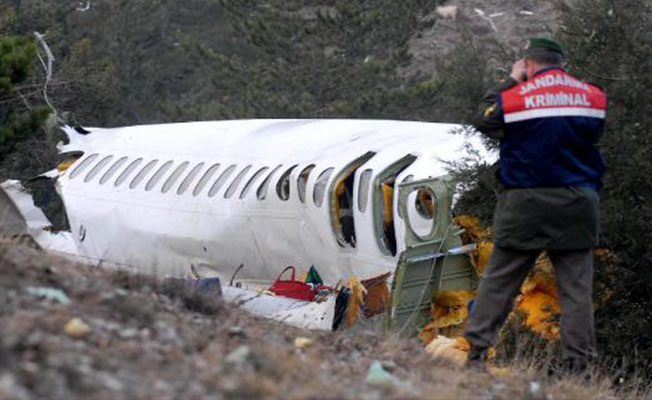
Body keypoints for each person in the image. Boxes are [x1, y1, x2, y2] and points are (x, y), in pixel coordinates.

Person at [463, 38, 608, 374]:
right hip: (577, 201)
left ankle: (476, 356)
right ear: (562, 63)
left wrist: (512, 81)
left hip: (524, 200)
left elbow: (483, 119)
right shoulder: (593, 96)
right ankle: (580, 368)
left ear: (528, 65)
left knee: (500, 281)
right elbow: (591, 135)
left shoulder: (516, 98)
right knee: (576, 291)